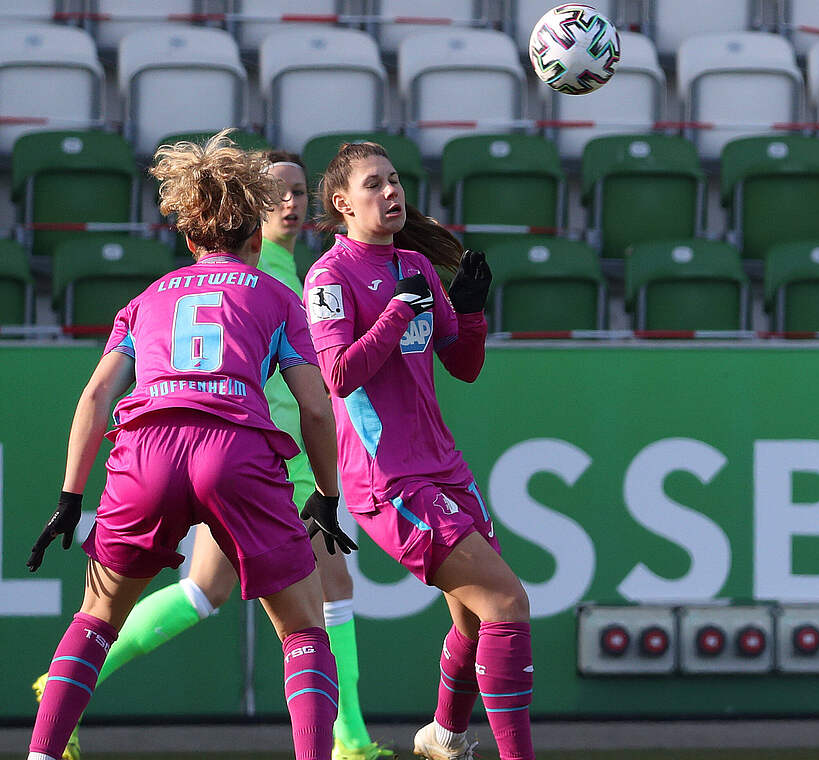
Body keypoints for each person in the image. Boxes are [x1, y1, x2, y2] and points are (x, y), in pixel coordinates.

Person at [30, 151, 394, 760]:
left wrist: (71, 496)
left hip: (146, 451)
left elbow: (96, 395)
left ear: (192, 235)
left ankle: (40, 753)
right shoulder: (276, 294)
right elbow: (315, 407)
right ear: (254, 232)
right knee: (306, 627)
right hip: (237, 450)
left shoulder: (147, 299)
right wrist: (328, 494)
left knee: (96, 617)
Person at [305, 141, 532, 760]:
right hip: (388, 481)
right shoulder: (329, 276)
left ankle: (445, 738)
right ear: (342, 203)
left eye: (395, 180)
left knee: (475, 618)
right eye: (373, 184)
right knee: (508, 602)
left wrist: (472, 310)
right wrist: (400, 310)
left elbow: (463, 366)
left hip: (444, 468)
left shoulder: (418, 267)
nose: (391, 192)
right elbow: (340, 375)